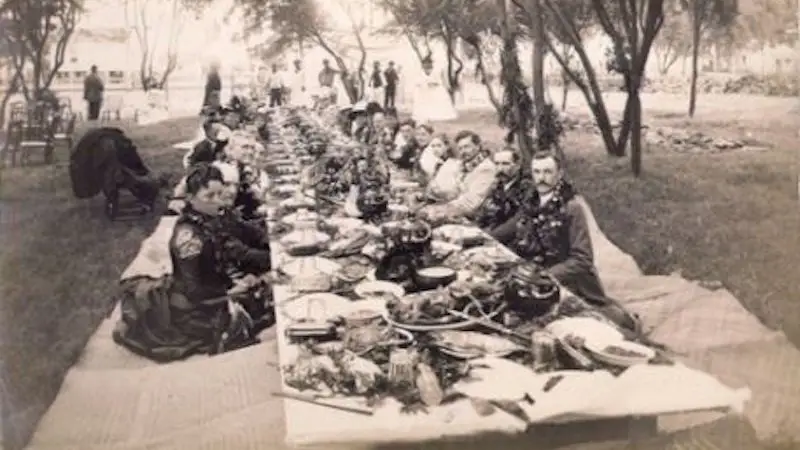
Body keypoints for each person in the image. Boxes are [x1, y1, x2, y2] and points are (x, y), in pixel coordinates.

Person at [114, 163, 274, 362]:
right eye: (209, 196)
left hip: (216, 287)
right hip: (194, 308)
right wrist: (231, 291)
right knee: (264, 310)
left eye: (219, 193)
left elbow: (242, 239)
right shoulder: (189, 237)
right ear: (190, 198)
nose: (218, 201)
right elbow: (194, 290)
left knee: (267, 296)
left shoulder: (214, 217)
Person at [490, 151, 639, 332]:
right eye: (537, 172)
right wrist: (482, 236)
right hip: (538, 278)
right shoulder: (532, 200)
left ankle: (626, 320)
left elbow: (582, 259)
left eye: (547, 172)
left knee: (590, 325)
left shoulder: (572, 207)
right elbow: (511, 226)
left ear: (559, 174)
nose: (541, 178)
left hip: (572, 282)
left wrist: (545, 276)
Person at [421, 130, 496, 219]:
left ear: (478, 146)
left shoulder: (485, 168)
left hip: (477, 218)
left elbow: (470, 203)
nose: (463, 151)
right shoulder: (465, 165)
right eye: (460, 148)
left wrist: (441, 209)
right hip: (460, 212)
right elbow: (453, 193)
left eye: (467, 147)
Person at [473, 148, 528, 233]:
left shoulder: (525, 187)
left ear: (517, 166)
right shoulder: (497, 185)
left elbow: (517, 221)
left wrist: (490, 236)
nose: (500, 169)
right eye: (497, 164)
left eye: (505, 164)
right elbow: (483, 213)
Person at [411, 56, 457, 123]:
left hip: (434, 90)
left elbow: (438, 81)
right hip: (423, 91)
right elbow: (417, 81)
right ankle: (424, 115)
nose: (426, 65)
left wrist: (432, 83)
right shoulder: (420, 72)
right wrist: (421, 84)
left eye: (428, 63)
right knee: (422, 102)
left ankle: (436, 114)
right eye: (425, 63)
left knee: (436, 100)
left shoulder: (435, 72)